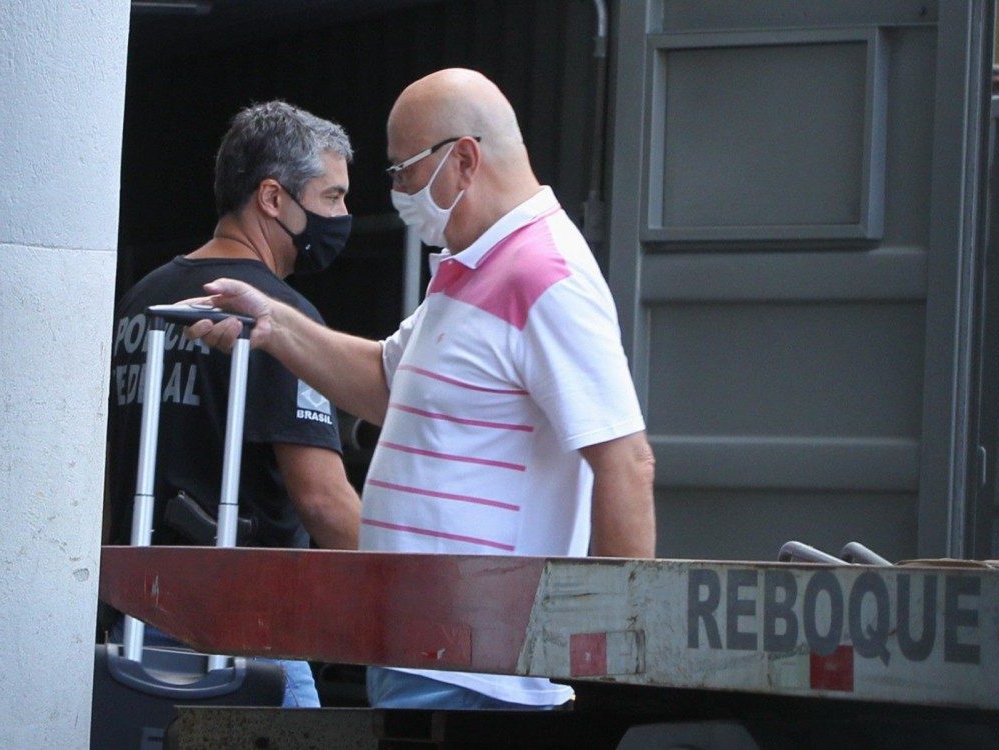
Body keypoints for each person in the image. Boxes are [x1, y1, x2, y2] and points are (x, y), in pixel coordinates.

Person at [185, 69, 656, 710]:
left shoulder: (545, 273)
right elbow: (389, 382)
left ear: (463, 159)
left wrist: (612, 669)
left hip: (479, 676)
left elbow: (625, 460)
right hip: (427, 657)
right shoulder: (469, 266)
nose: (399, 192)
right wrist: (273, 324)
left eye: (403, 171)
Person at [104, 100, 362, 707]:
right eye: (331, 198)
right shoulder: (277, 319)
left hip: (140, 618)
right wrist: (422, 592)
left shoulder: (143, 300)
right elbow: (323, 501)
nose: (345, 216)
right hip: (247, 632)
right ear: (273, 199)